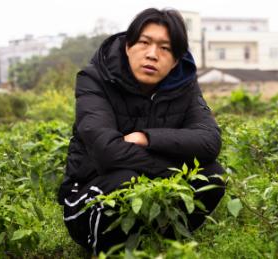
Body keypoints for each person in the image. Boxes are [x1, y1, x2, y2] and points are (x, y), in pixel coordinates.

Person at [57, 8, 226, 254]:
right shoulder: (94, 80)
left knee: (212, 175)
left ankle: (164, 246)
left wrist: (147, 138)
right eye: (144, 43)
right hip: (87, 198)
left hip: (151, 194)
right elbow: (107, 152)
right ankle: (109, 251)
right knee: (125, 180)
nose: (152, 55)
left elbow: (210, 141)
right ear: (128, 46)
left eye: (165, 48)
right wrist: (172, 168)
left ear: (176, 60)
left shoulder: (185, 86)